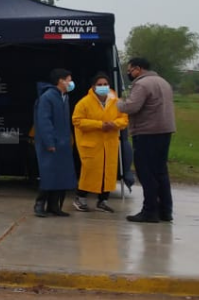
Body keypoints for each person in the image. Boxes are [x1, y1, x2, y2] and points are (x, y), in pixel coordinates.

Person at [117, 57, 176, 223]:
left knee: (146, 172)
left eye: (130, 70)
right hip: (165, 131)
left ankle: (149, 210)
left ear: (138, 68)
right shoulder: (163, 82)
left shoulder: (142, 84)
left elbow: (132, 107)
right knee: (160, 171)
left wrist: (118, 103)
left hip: (147, 132)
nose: (129, 73)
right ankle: (166, 210)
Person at [71, 73, 128, 213]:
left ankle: (103, 200)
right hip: (92, 144)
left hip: (109, 144)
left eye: (105, 84)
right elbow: (77, 120)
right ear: (93, 86)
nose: (103, 87)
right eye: (100, 84)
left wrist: (114, 124)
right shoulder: (84, 102)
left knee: (107, 173)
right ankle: (80, 198)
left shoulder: (116, 101)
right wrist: (99, 125)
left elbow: (124, 119)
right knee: (89, 173)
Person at [34, 68, 77, 217]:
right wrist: (50, 142)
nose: (71, 83)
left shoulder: (64, 97)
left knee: (61, 175)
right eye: (69, 79)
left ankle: (54, 206)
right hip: (51, 143)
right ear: (61, 80)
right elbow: (44, 121)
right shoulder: (48, 97)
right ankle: (40, 204)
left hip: (63, 143)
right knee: (49, 174)